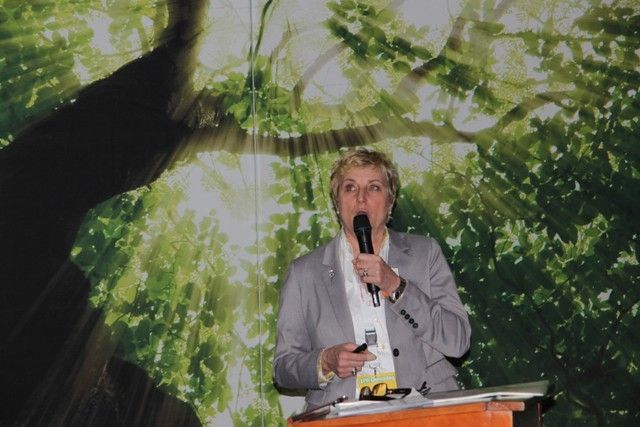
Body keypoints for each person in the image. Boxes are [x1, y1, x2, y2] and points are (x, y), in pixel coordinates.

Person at [273, 148, 471, 409]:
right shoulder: (304, 273)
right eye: (350, 188)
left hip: (425, 409)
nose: (361, 198)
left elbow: (458, 342)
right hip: (344, 416)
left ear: (391, 201)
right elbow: (283, 368)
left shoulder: (425, 254)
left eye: (374, 188)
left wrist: (395, 286)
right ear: (337, 202)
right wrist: (325, 361)